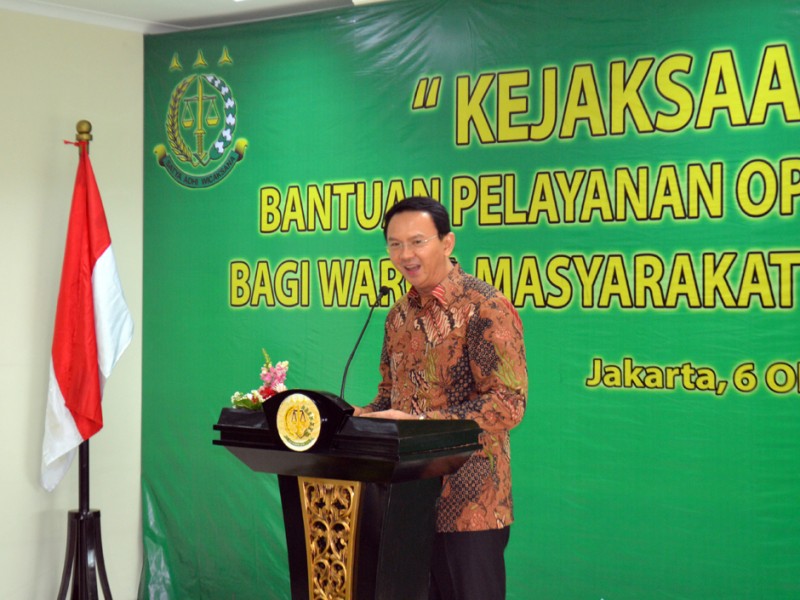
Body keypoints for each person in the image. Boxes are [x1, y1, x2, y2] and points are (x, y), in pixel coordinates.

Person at [353, 196, 528, 600]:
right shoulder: (397, 315)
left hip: (470, 506)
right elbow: (389, 397)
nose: (405, 255)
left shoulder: (484, 306)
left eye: (417, 242)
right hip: (405, 503)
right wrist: (355, 417)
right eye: (395, 244)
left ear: (447, 242)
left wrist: (419, 426)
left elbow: (508, 403)